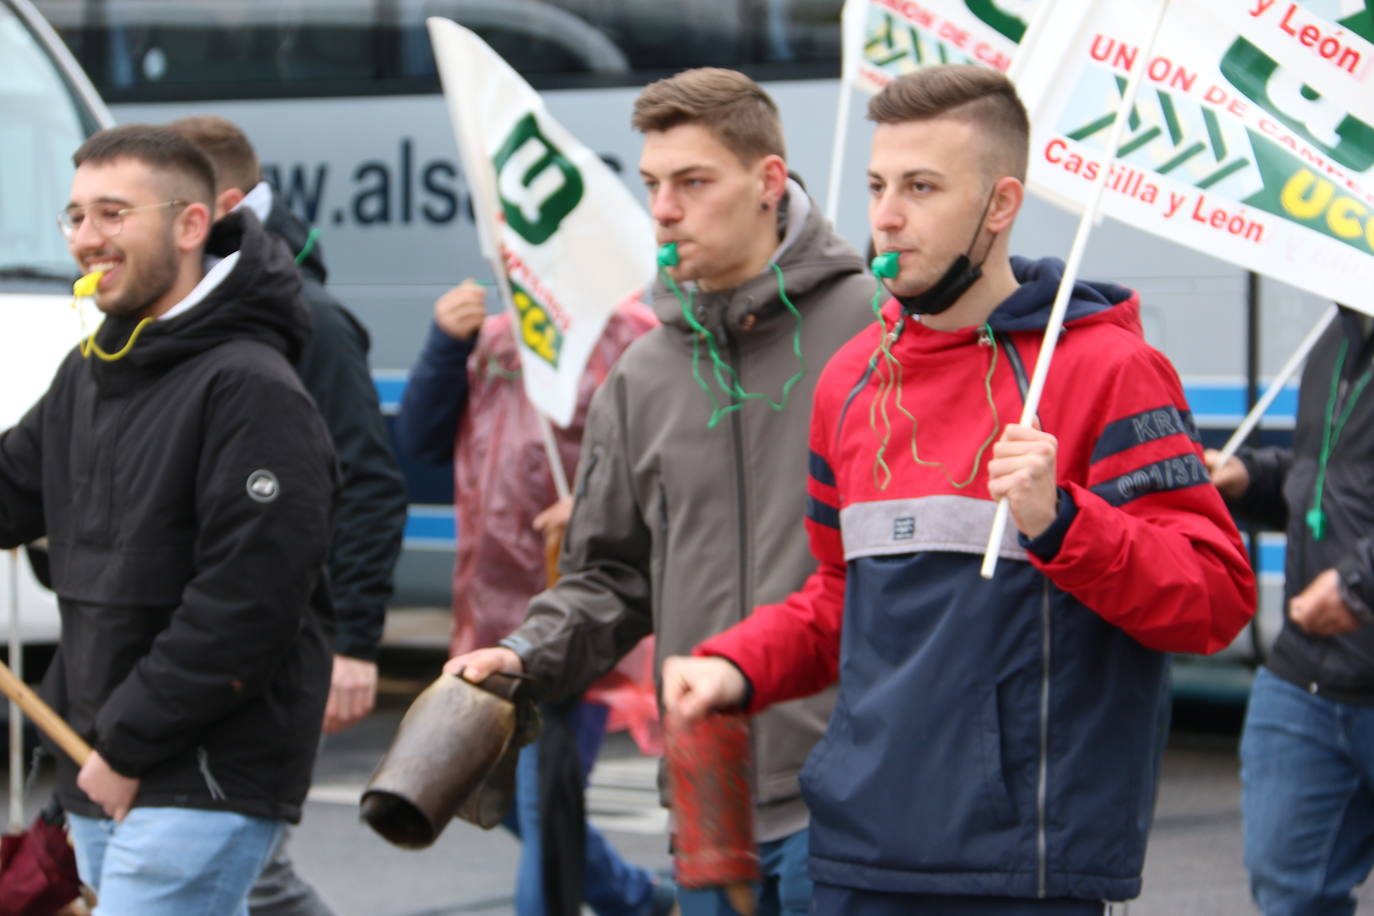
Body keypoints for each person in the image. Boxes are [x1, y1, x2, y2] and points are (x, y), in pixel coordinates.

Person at [661, 65, 1257, 914]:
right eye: (876, 185)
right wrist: (734, 664)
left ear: (1001, 205)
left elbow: (1216, 600)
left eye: (922, 186)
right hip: (856, 858)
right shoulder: (848, 382)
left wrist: (1063, 524)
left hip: (1024, 874)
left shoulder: (1110, 370)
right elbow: (841, 599)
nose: (887, 215)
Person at [445, 67, 877, 916]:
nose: (665, 208)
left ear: (768, 182)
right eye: (652, 185)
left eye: (692, 182)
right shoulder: (642, 373)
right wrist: (526, 654)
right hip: (708, 799)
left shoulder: (875, 329)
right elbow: (611, 577)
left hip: (860, 789)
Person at [0, 124, 337, 914]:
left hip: (203, 768)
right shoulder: (89, 372)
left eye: (114, 214)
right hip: (99, 761)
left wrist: (126, 744)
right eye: (77, 216)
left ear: (191, 225)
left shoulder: (252, 387)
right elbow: (10, 490)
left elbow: (248, 602)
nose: (88, 238)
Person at [165, 115, 409, 916]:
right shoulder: (182, 314)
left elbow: (369, 482)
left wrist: (354, 641)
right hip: (190, 641)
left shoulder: (313, 321)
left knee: (247, 875)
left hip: (271, 644)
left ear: (221, 206)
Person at [395, 278, 668, 916]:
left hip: (579, 609)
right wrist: (443, 345)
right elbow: (422, 442)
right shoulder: (494, 338)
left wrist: (599, 507)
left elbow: (670, 463)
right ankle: (639, 899)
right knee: (517, 800)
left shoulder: (633, 337)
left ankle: (636, 899)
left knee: (544, 805)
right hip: (490, 616)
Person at [1208, 305, 1374, 916]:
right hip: (1304, 677)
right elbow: (1328, 482)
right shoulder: (1336, 336)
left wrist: (1362, 587)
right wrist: (1249, 478)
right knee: (1289, 894)